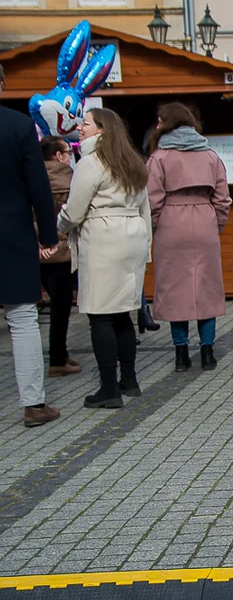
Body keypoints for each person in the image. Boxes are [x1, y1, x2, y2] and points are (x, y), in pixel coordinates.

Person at [57, 108, 152, 408]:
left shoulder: (91, 162)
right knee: (123, 311)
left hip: (103, 236)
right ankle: (129, 379)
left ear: (101, 129)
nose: (79, 128)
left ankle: (108, 388)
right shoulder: (133, 162)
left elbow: (74, 211)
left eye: (85, 124)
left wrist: (58, 226)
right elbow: (145, 208)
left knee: (100, 314)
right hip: (133, 235)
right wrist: (146, 245)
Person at [147, 102, 232, 371]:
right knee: (205, 288)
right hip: (204, 220)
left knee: (175, 289)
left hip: (171, 222)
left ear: (168, 123)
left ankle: (181, 354)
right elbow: (222, 198)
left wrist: (155, 226)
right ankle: (208, 352)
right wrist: (216, 223)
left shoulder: (159, 157)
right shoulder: (210, 155)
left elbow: (152, 199)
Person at [0, 63, 62, 427]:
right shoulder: (19, 125)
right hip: (13, 232)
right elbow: (39, 185)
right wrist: (49, 234)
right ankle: (33, 404)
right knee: (22, 318)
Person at [38, 136, 81, 378]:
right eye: (68, 151)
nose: (70, 155)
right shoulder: (69, 178)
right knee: (61, 308)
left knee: (54, 303)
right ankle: (57, 358)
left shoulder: (32, 177)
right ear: (58, 156)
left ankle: (61, 354)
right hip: (62, 250)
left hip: (39, 250)